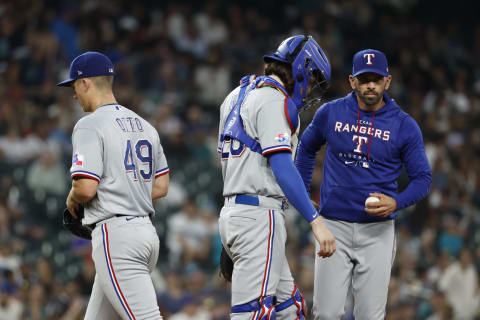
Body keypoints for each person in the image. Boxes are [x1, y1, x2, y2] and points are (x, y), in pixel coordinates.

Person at [295, 49, 432, 319]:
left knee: (370, 315)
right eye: (364, 78)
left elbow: (423, 179)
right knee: (326, 313)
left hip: (377, 233)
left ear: (387, 82)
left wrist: (397, 202)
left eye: (377, 79)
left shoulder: (404, 125)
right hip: (333, 227)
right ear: (352, 81)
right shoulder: (329, 113)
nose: (371, 84)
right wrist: (301, 191)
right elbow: (306, 149)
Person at [217, 35, 336, 319]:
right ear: (301, 69)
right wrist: (315, 221)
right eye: (313, 78)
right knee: (254, 313)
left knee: (289, 308)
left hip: (238, 212)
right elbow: (282, 166)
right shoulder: (272, 98)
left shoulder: (235, 95)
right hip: (259, 217)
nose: (310, 89)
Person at [57, 51, 169, 320]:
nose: (74, 94)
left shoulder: (89, 125)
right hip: (145, 235)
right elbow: (161, 186)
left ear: (85, 83)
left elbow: (85, 189)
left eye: (74, 86)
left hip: (117, 238)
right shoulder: (145, 126)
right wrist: (123, 192)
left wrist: (72, 198)